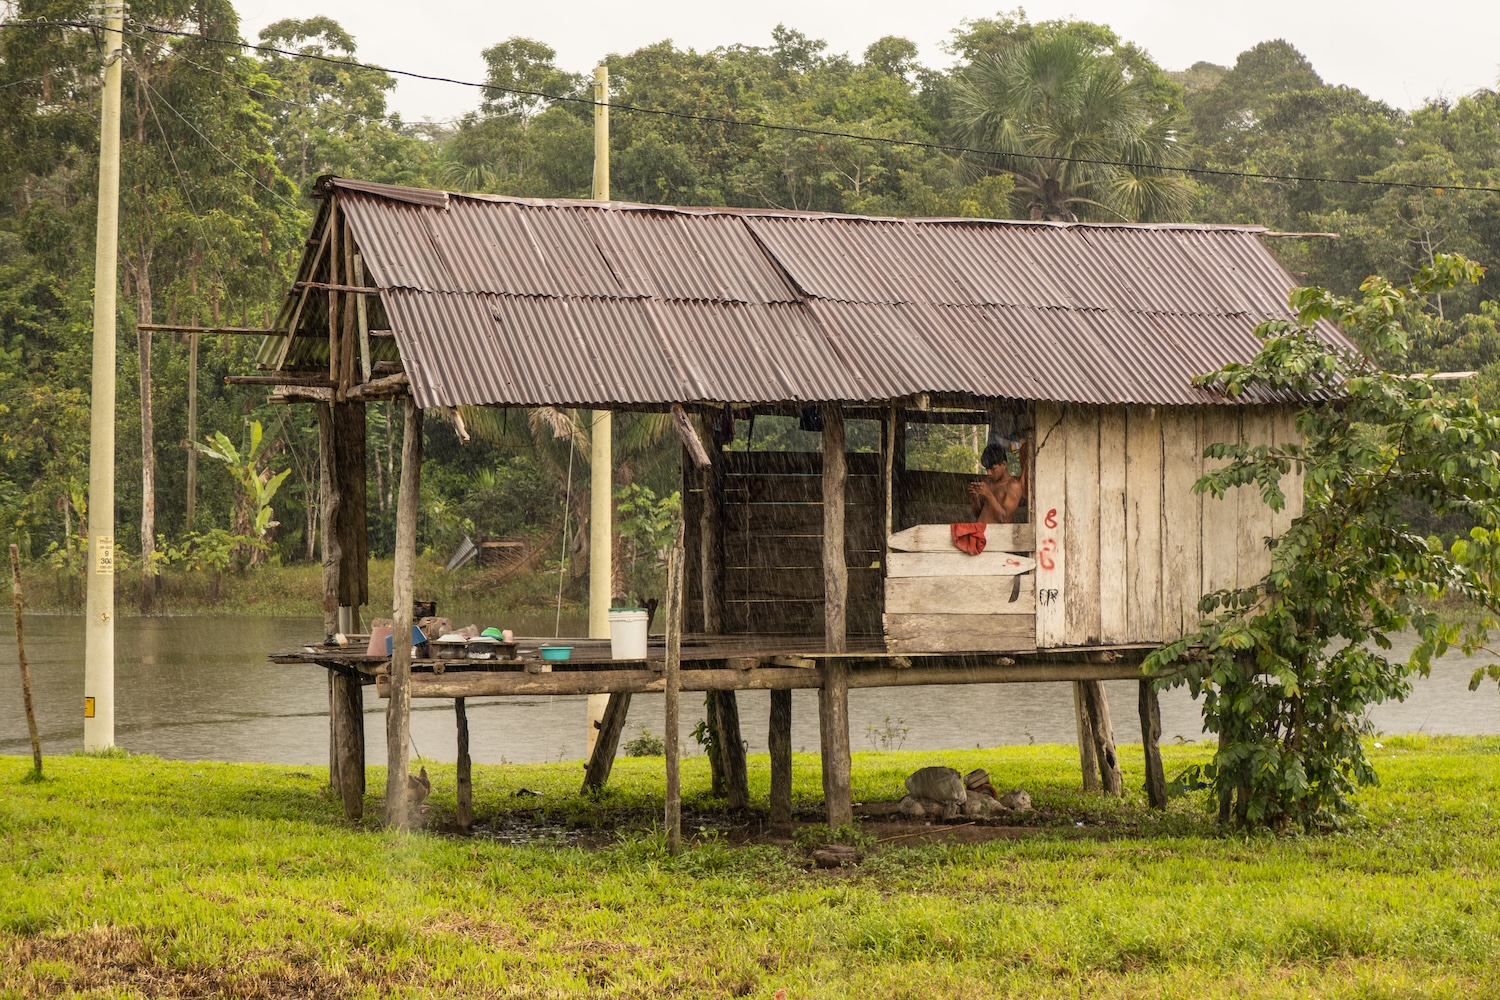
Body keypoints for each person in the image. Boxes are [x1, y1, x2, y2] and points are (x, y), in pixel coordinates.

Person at [967, 440, 1028, 524]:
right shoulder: (988, 482)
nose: (989, 473)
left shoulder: (1013, 486)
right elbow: (978, 514)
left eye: (993, 469)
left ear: (1004, 464)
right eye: (986, 469)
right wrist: (975, 498)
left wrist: (988, 494)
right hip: (981, 532)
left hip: (998, 535)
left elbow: (1005, 519)